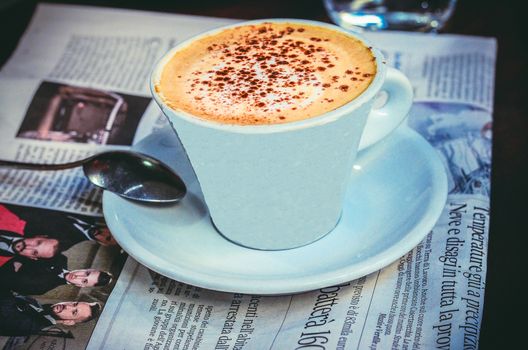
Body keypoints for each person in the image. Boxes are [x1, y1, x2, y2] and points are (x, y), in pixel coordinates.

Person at [2, 204, 117, 249]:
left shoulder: (65, 242)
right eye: (110, 232)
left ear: (103, 243)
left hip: (23, 210)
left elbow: (29, 235)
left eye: (107, 238)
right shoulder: (88, 213)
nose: (104, 234)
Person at [0, 290, 101, 336]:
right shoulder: (34, 303)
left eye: (74, 312)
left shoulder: (30, 326)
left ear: (69, 322)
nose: (68, 306)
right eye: (74, 304)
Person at [0, 255, 113, 295]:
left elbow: (4, 281)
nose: (79, 277)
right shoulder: (60, 258)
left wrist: (20, 262)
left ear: (82, 286)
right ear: (87, 268)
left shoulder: (41, 288)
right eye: (86, 273)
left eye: (84, 281)